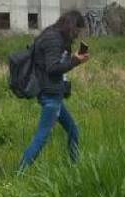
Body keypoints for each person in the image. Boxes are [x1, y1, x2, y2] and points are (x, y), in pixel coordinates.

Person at [19, 11, 90, 170]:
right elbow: (53, 68)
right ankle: (20, 172)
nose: (78, 35)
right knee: (42, 136)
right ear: (71, 26)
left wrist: (75, 58)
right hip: (50, 95)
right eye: (77, 30)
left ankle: (74, 165)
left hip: (54, 93)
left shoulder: (55, 36)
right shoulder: (53, 39)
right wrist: (76, 61)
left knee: (73, 130)